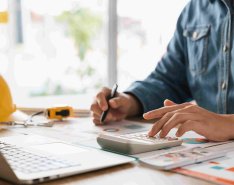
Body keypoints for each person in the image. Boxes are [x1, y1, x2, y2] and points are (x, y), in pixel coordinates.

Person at [90, 0, 234, 142]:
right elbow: (170, 81)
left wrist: (228, 124)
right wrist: (129, 101)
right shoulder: (193, 10)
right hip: (211, 153)